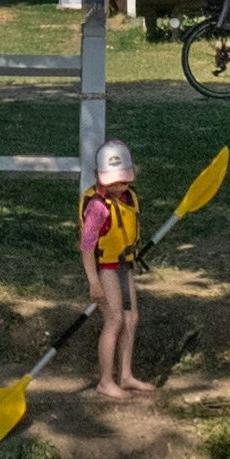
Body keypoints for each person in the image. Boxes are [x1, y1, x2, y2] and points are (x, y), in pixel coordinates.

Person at [74, 141, 147, 400]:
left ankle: (125, 376)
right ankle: (105, 381)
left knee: (131, 319)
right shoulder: (97, 207)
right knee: (114, 320)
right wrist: (93, 282)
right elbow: (86, 248)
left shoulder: (130, 198)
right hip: (105, 269)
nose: (118, 188)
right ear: (98, 177)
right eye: (112, 183)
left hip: (125, 265)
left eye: (123, 182)